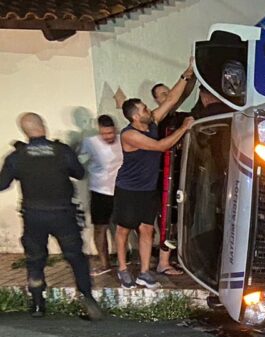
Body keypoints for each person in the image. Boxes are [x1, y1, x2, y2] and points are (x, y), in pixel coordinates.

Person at [0, 113, 103, 320]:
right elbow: (79, 173)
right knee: (75, 256)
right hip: (63, 214)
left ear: (25, 131)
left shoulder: (17, 156)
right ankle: (88, 298)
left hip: (34, 216)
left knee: (35, 259)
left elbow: (2, 184)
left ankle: (38, 304)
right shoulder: (61, 151)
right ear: (43, 127)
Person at [114, 61, 195, 289]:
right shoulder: (129, 135)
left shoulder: (150, 123)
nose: (149, 111)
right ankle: (122, 270)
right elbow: (160, 146)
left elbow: (170, 101)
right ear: (135, 117)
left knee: (147, 228)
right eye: (144, 110)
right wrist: (183, 128)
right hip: (129, 189)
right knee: (123, 229)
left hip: (147, 189)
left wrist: (186, 75)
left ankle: (144, 272)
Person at [151, 81, 194, 277]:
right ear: (156, 100)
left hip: (183, 174)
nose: (167, 96)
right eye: (162, 95)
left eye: (168, 93)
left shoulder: (182, 117)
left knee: (181, 218)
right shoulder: (154, 121)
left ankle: (180, 256)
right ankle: (163, 262)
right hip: (162, 177)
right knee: (165, 219)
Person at [80, 114, 123, 275]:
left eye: (111, 133)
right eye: (105, 134)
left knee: (124, 227)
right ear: (99, 130)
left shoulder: (123, 139)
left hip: (121, 190)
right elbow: (76, 158)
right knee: (100, 228)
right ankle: (104, 264)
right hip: (99, 190)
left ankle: (123, 261)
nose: (108, 137)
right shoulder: (90, 142)